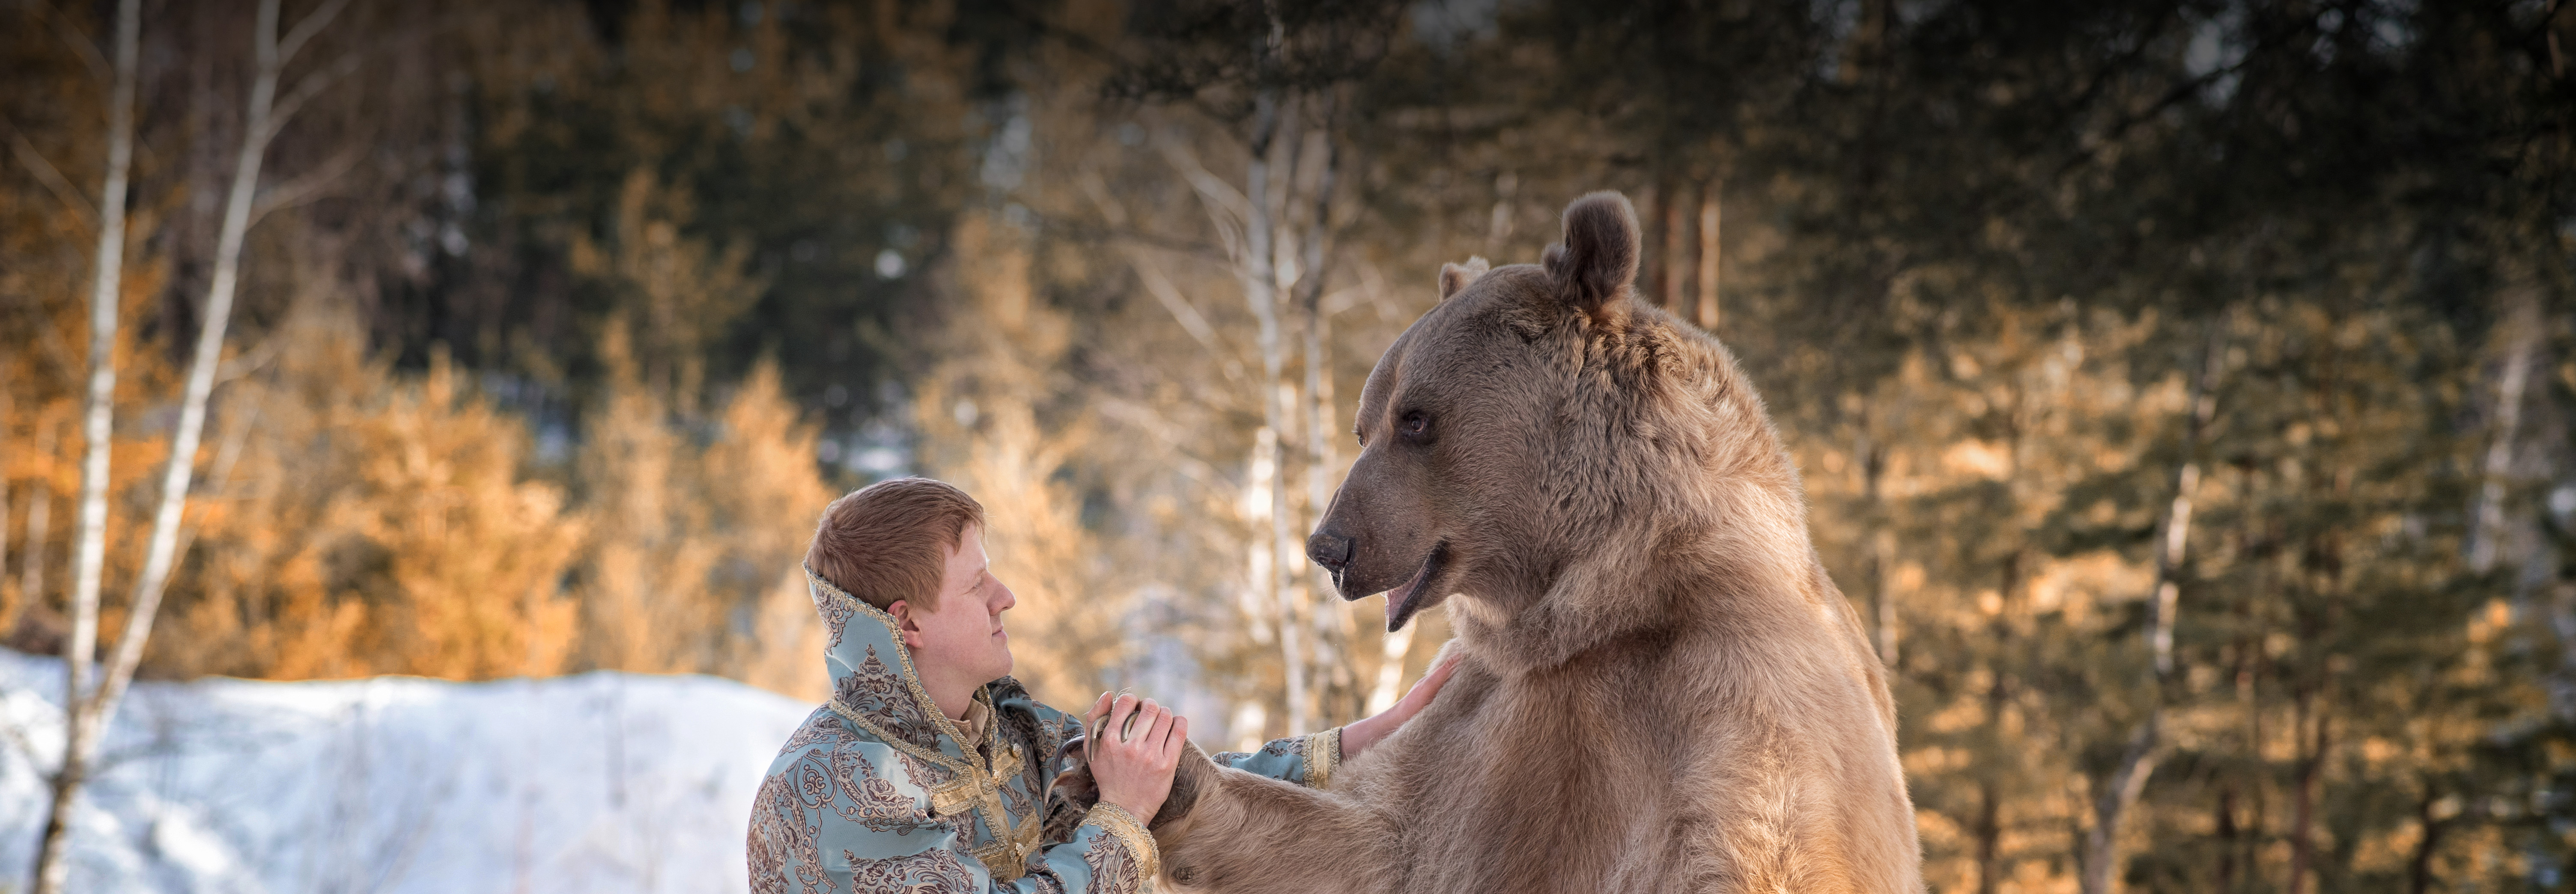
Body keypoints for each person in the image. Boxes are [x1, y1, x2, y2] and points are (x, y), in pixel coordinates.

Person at [748, 477, 1457, 893]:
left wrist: (1363, 739)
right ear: (906, 625)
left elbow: (1178, 783)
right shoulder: (833, 791)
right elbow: (1130, 803)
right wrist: (1119, 817)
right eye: (976, 584)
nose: (1007, 597)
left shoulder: (1005, 727)